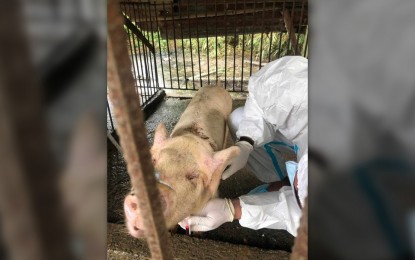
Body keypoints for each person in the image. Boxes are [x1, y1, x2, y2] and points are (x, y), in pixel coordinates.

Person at [179, 56, 308, 236]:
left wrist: (232, 210)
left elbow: (303, 220)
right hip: (303, 124)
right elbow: (261, 102)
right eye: (297, 188)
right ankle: (280, 178)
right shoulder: (298, 89)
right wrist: (247, 141)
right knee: (239, 118)